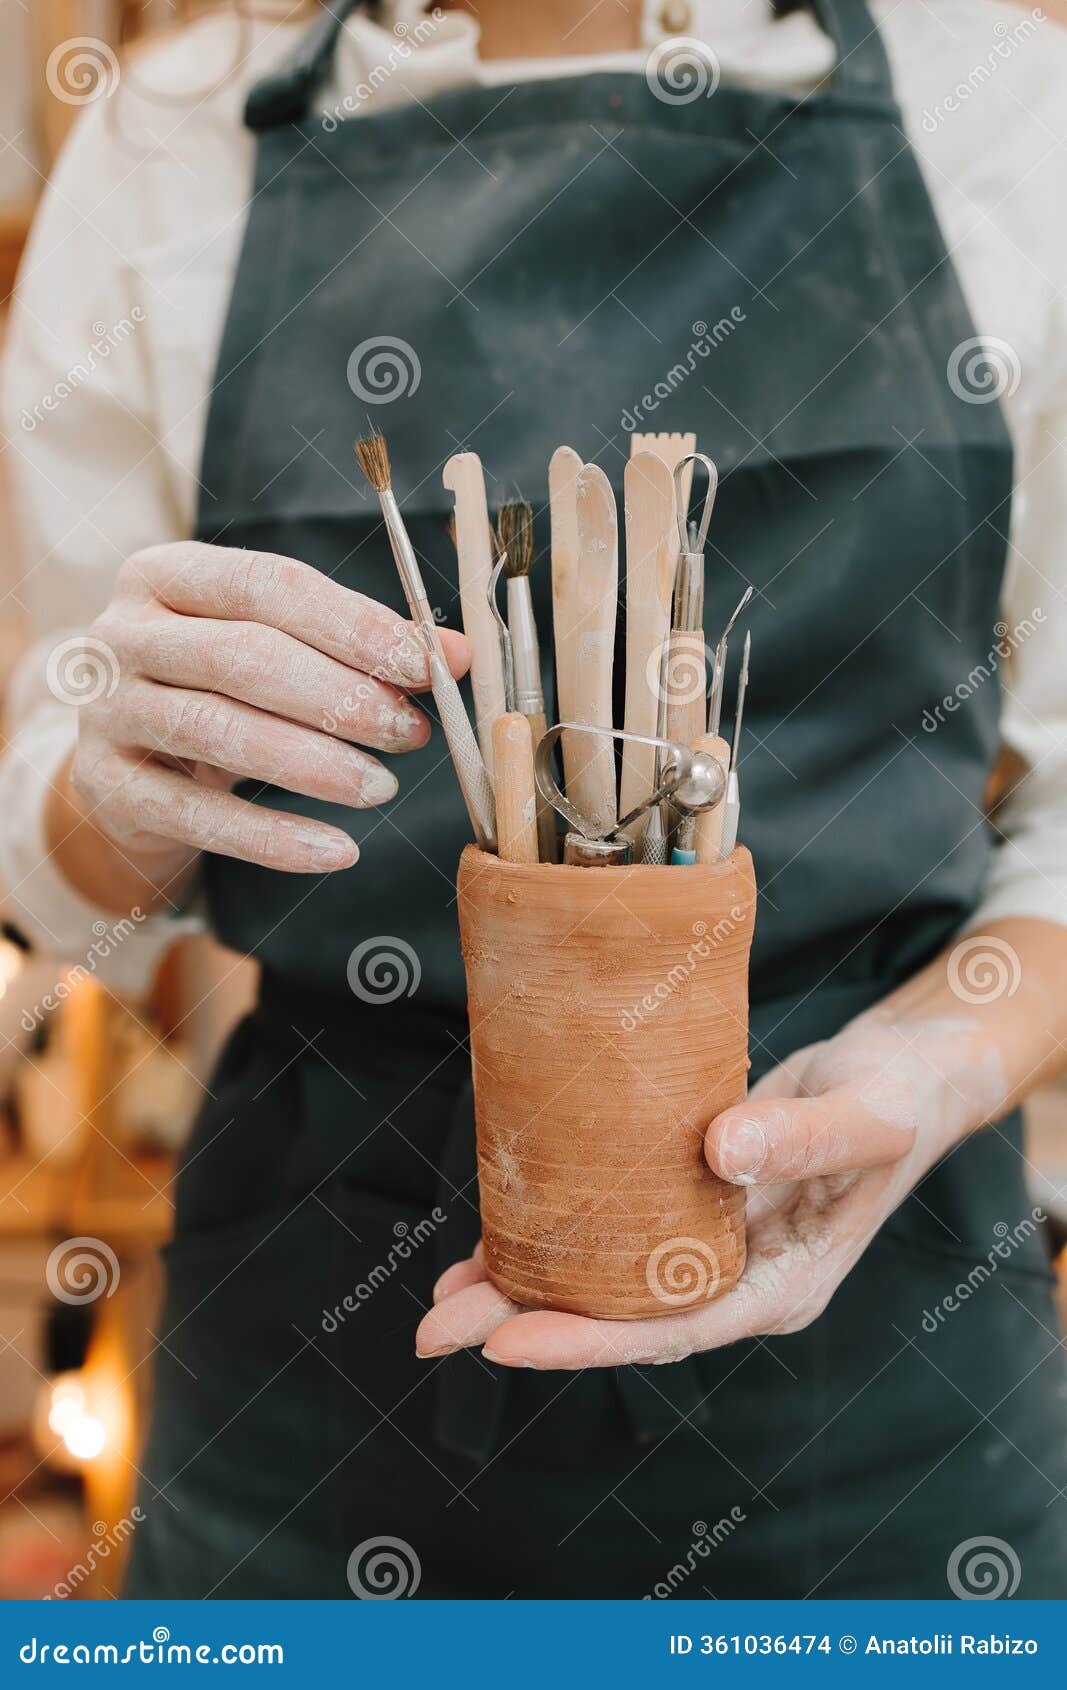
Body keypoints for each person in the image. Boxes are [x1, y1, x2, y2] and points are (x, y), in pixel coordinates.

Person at [3, 0, 1067, 1599]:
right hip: (323, 1342)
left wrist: (934, 1063)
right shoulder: (172, 140)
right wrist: (121, 785)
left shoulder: (1002, 95)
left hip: (885, 1360)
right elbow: (58, 858)